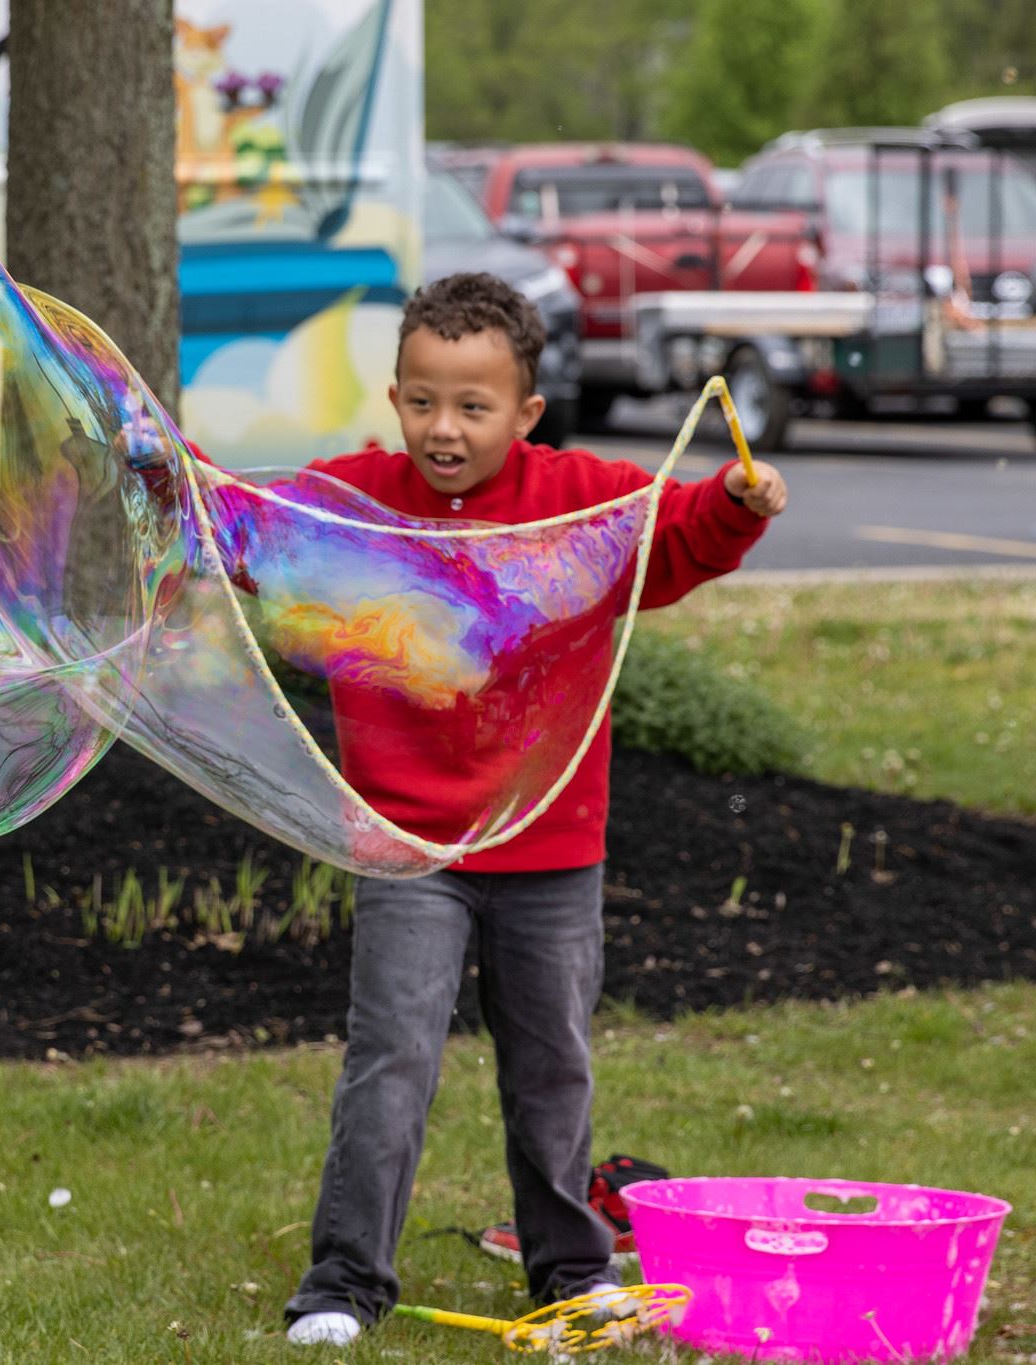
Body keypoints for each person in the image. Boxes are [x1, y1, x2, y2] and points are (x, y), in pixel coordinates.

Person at [268, 273, 789, 1347]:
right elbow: (250, 531)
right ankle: (340, 1282)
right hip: (408, 849)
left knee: (550, 1067)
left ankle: (566, 1272)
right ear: (394, 395)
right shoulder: (351, 501)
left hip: (550, 852)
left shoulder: (576, 497)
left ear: (525, 412)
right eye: (421, 400)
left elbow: (677, 534)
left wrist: (735, 506)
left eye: (470, 406)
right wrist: (165, 485)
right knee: (390, 1063)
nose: (441, 429)